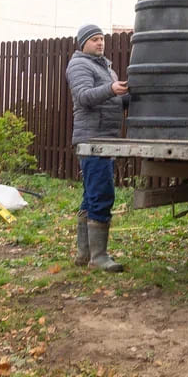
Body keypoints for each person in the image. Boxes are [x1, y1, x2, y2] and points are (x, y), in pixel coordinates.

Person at [66, 23, 127, 272]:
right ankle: (98, 257)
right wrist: (111, 89)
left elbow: (112, 100)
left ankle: (84, 254)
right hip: (92, 140)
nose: (100, 42)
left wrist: (128, 94)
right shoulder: (79, 65)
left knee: (91, 195)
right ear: (83, 44)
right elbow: (84, 96)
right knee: (101, 194)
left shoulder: (106, 68)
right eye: (94, 39)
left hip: (105, 139)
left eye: (102, 38)